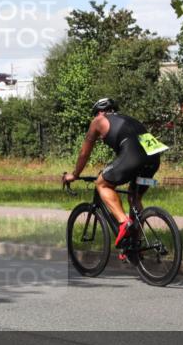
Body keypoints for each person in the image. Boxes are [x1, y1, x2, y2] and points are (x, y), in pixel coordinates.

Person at [62, 98, 166, 246]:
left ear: (99, 112)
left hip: (133, 155)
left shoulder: (98, 120)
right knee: (134, 197)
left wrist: (75, 174)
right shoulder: (128, 119)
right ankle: (134, 244)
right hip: (153, 158)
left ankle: (124, 222)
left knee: (102, 183)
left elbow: (84, 153)